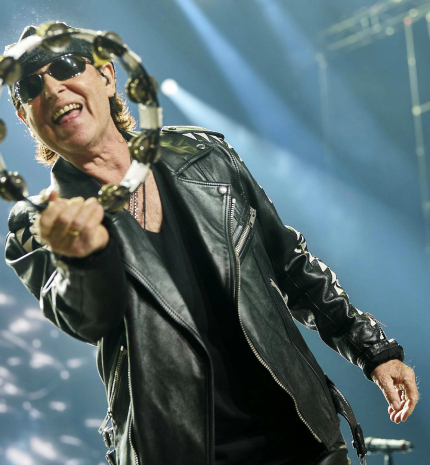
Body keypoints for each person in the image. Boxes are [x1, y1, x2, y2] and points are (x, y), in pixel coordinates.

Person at [4, 23, 418, 465]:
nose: (51, 87)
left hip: (300, 434)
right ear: (26, 118)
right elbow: (86, 320)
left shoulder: (204, 154)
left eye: (66, 66)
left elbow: (288, 262)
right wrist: (81, 259)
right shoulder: (38, 223)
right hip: (181, 450)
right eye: (30, 87)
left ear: (107, 77)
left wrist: (370, 348)